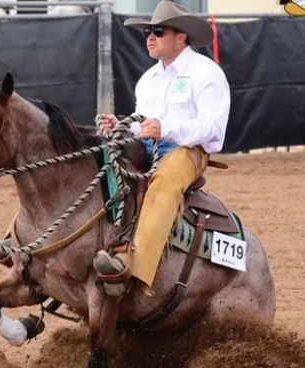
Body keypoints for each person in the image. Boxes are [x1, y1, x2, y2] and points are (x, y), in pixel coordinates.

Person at [93, 1, 232, 296]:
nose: (150, 37)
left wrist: (167, 129)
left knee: (165, 183)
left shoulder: (206, 73)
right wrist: (121, 125)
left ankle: (136, 270)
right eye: (147, 31)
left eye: (158, 31)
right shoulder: (148, 81)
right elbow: (143, 125)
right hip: (148, 145)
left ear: (181, 37)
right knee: (98, 163)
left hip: (189, 150)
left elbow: (213, 128)